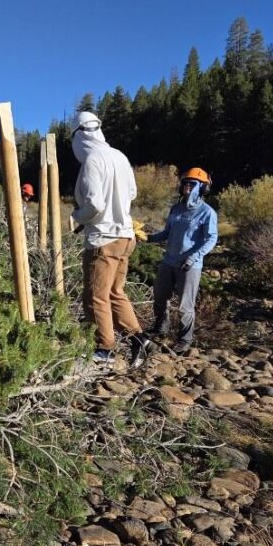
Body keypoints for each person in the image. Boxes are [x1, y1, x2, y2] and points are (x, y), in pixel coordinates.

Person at [69, 112, 151, 367]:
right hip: (125, 236)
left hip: (103, 239)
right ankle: (139, 339)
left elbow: (94, 204)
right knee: (115, 292)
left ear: (78, 136)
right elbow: (133, 192)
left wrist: (78, 216)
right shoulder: (120, 156)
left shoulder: (92, 160)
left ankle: (104, 350)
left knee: (96, 296)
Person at [145, 168, 218, 352]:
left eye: (192, 184)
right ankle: (161, 328)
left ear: (202, 188)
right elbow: (167, 233)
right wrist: (147, 238)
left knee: (185, 305)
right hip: (169, 261)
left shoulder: (207, 212)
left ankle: (185, 340)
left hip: (190, 265)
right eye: (185, 183)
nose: (187, 187)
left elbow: (211, 239)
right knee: (160, 296)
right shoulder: (176, 209)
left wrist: (194, 257)